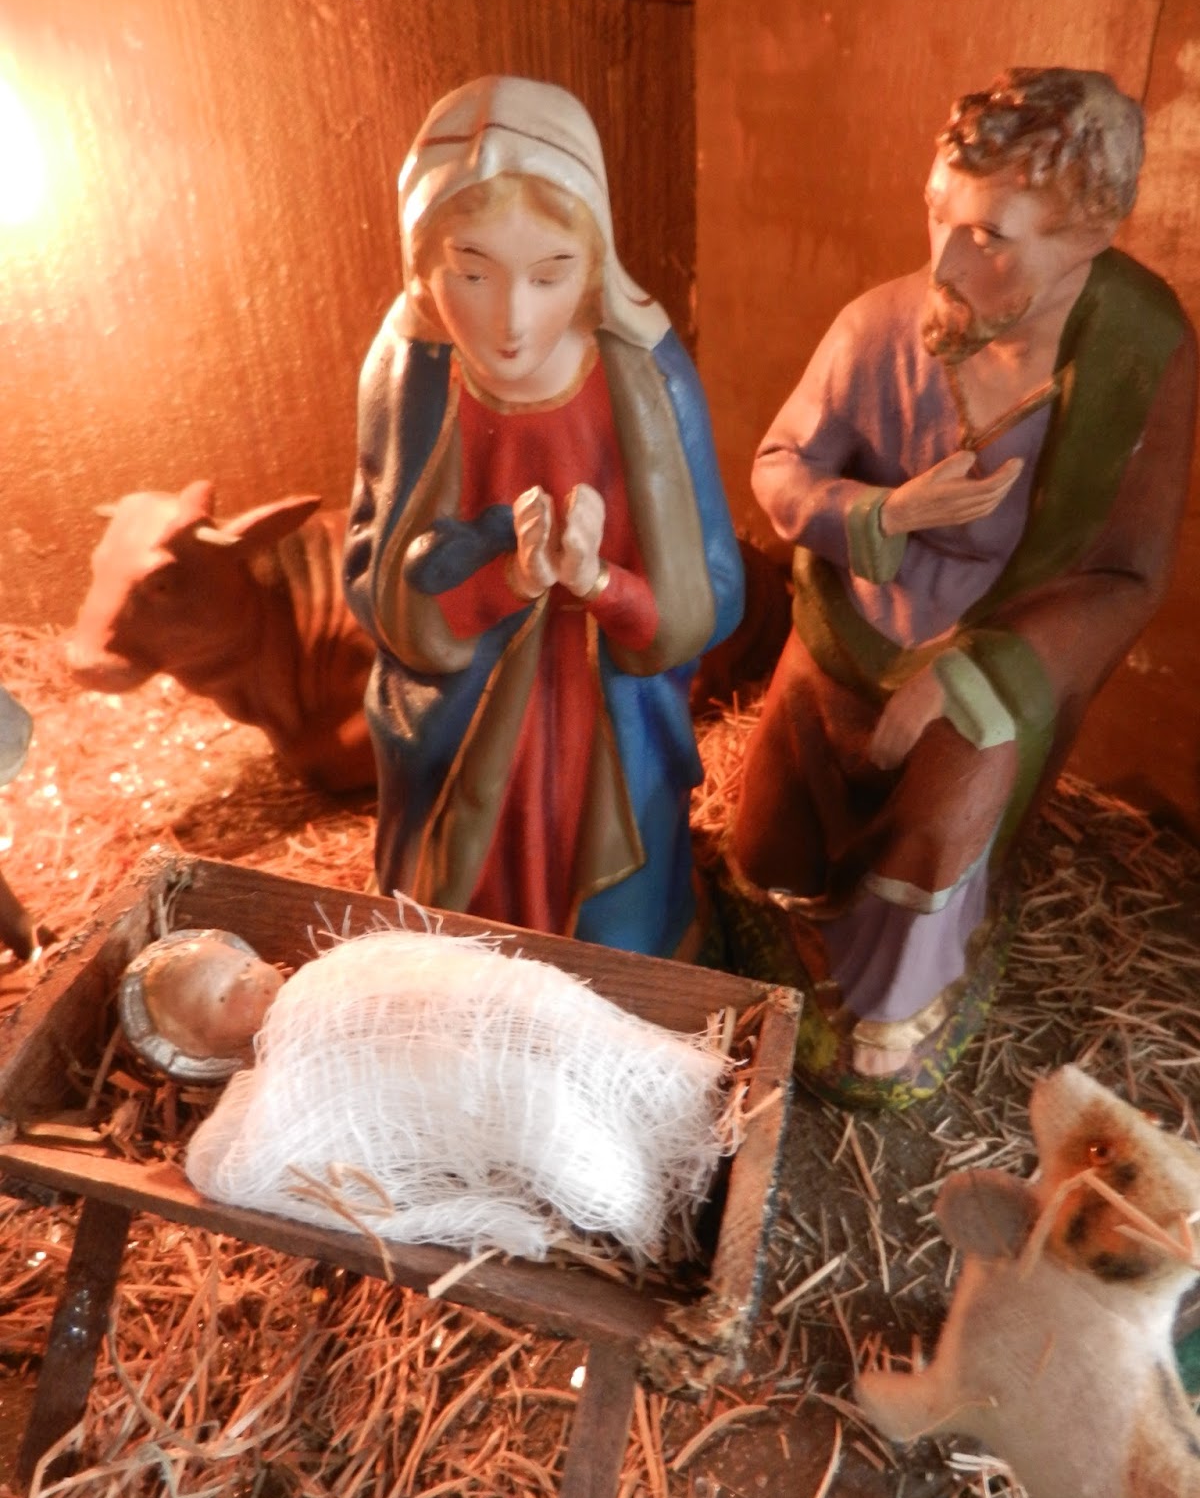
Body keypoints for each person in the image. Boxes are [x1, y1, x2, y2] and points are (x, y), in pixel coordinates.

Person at [729, 67, 1196, 1103]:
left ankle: (897, 997)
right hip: (855, 616)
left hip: (1002, 639)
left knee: (959, 777)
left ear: (1088, 235)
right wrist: (883, 515)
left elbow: (1125, 573)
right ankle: (786, 911)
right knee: (775, 811)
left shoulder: (1139, 359)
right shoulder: (877, 328)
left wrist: (974, 673)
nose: (944, 258)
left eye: (989, 236)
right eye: (939, 212)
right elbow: (781, 465)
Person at [345, 76, 743, 959]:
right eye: (471, 272)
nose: (511, 320)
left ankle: (623, 976)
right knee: (452, 933)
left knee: (616, 944)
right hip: (459, 726)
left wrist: (601, 584)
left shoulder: (648, 380)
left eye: (549, 273)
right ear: (421, 261)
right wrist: (501, 583)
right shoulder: (408, 377)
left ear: (593, 264)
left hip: (604, 722)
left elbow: (712, 589)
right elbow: (372, 575)